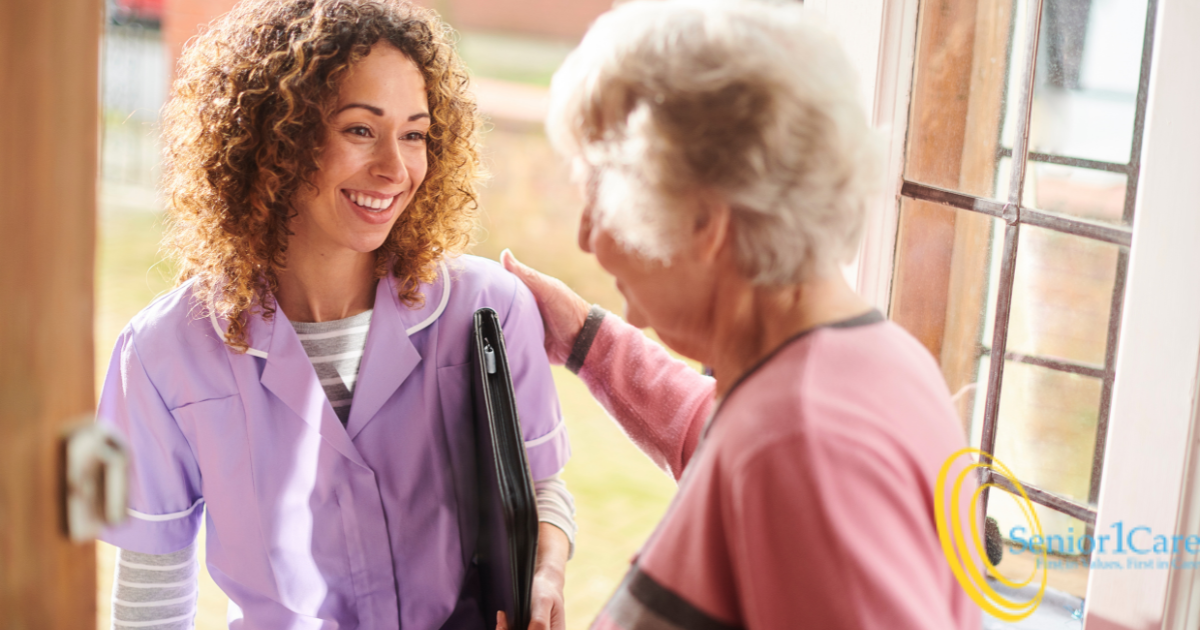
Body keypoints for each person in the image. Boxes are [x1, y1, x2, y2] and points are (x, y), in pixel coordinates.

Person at [498, 1, 981, 628]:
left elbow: (782, 455)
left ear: (704, 220)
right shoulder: (867, 362)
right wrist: (585, 338)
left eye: (599, 191)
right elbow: (727, 435)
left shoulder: (802, 445)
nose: (587, 238)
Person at [96, 1, 573, 628]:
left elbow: (539, 489)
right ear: (277, 137)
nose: (395, 169)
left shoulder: (488, 312)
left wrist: (547, 572)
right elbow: (152, 601)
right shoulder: (163, 354)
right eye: (359, 129)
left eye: (414, 134)